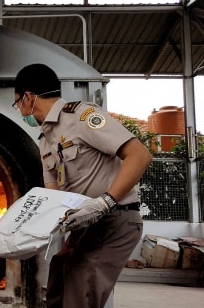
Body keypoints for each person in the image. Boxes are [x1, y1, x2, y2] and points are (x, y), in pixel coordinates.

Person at [13, 63, 152, 308]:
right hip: (84, 226)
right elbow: (52, 197)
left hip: (114, 220)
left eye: (17, 103)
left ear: (28, 97)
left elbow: (140, 156)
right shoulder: (45, 142)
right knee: (58, 277)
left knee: (80, 287)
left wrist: (105, 202)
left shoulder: (81, 117)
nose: (20, 110)